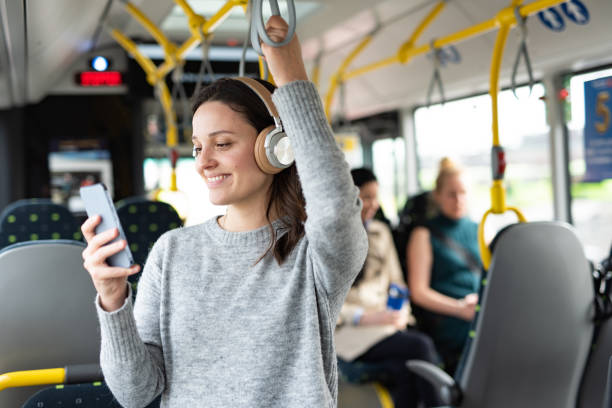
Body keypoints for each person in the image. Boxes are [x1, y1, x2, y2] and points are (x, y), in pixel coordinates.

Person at [80, 16, 367, 408]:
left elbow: (334, 207)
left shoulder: (313, 253)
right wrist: (113, 300)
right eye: (199, 147)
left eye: (223, 143)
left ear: (275, 147)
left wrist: (291, 74)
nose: (203, 162)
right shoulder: (172, 252)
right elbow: (135, 393)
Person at [335, 167, 441, 408]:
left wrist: (400, 312)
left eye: (376, 197)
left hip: (385, 324)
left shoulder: (380, 232)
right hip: (349, 330)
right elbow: (328, 303)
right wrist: (368, 317)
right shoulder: (333, 238)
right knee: (420, 346)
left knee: (407, 370)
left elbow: (397, 282)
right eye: (366, 197)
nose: (373, 204)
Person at [407, 158, 481, 375]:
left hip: (477, 308)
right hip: (450, 316)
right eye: (451, 194)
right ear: (437, 196)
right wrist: (460, 309)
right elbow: (419, 292)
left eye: (463, 193)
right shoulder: (424, 234)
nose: (458, 200)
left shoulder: (480, 229)